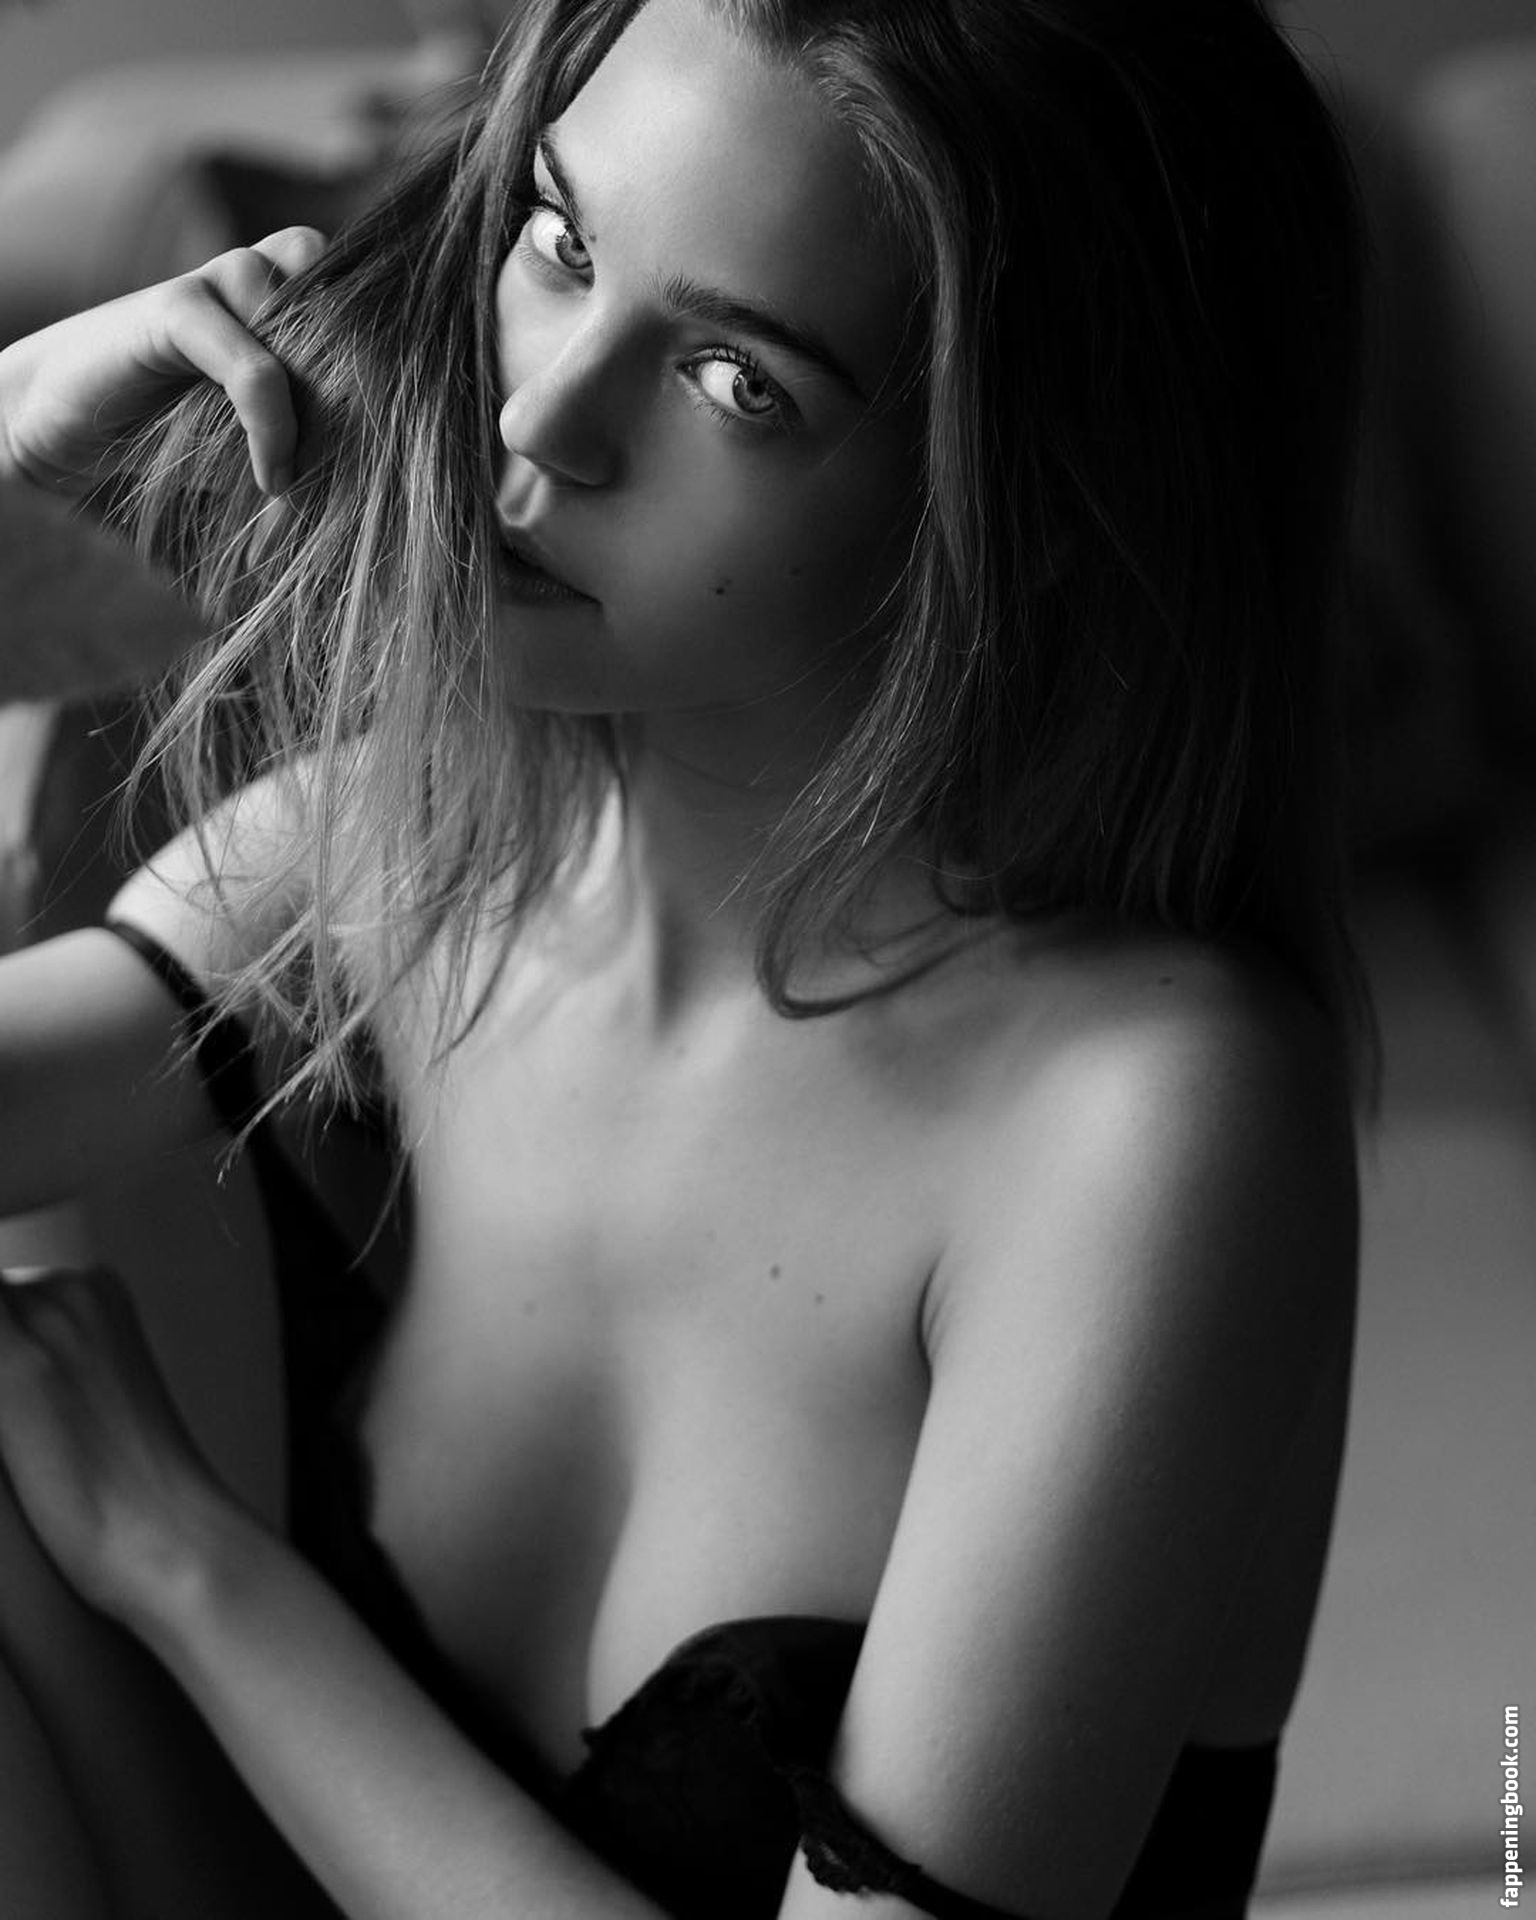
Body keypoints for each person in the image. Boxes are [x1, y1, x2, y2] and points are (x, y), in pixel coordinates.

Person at [0, 1, 1367, 1915]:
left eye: (738, 379)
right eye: (564, 241)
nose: (540, 419)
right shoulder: (400, 850)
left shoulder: (1152, 1126)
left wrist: (190, 1569)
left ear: (1038, 505)